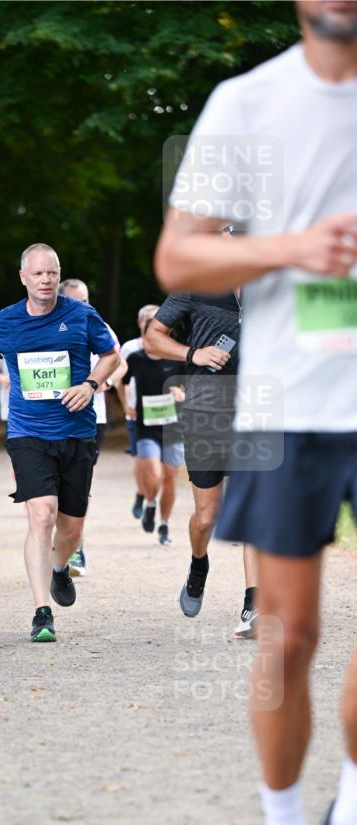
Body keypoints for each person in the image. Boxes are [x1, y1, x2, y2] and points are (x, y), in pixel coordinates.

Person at [154, 0, 357, 825]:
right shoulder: (249, 103)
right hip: (292, 405)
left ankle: (349, 817)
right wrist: (292, 248)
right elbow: (179, 253)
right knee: (286, 639)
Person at [0, 243, 120, 642]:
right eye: (38, 274)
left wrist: (90, 384)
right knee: (41, 516)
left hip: (77, 433)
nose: (46, 280)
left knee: (70, 528)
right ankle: (41, 612)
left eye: (52, 273)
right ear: (23, 278)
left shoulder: (81, 314)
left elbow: (111, 355)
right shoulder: (4, 321)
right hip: (28, 432)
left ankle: (59, 568)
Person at [144, 247, 259, 638]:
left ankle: (253, 605)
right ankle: (198, 562)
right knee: (207, 516)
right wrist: (194, 353)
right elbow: (153, 339)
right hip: (205, 414)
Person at [58, 277, 126, 577]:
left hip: (89, 417)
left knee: (78, 485)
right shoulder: (41, 323)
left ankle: (75, 545)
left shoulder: (97, 324)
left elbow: (119, 362)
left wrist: (104, 382)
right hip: (48, 416)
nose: (81, 307)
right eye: (74, 301)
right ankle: (57, 543)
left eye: (85, 301)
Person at [124, 318, 186, 545]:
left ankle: (164, 524)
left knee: (170, 477)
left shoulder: (178, 359)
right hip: (146, 427)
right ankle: (150, 501)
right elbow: (123, 381)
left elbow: (193, 389)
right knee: (153, 473)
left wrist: (183, 395)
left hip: (174, 428)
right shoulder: (135, 359)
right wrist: (125, 405)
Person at [115, 304, 158, 519]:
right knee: (141, 459)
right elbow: (119, 381)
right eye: (148, 319)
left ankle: (151, 499)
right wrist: (125, 406)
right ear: (140, 322)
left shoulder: (170, 346)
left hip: (163, 412)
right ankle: (142, 494)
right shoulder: (130, 348)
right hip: (137, 411)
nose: (152, 323)